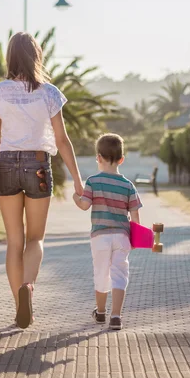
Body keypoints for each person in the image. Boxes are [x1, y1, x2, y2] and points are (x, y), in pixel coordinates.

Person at [0, 32, 83, 329]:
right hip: (38, 165)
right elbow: (63, 141)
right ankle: (28, 287)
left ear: (10, 57)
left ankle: (19, 308)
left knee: (14, 241)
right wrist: (79, 181)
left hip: (4, 167)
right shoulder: (49, 92)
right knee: (36, 238)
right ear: (37, 56)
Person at [73, 133, 142, 330]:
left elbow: (85, 205)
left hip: (100, 236)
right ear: (121, 159)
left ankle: (101, 312)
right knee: (120, 274)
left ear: (98, 157)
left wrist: (75, 198)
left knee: (101, 273)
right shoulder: (128, 185)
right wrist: (135, 240)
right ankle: (116, 316)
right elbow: (135, 216)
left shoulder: (93, 182)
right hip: (122, 236)